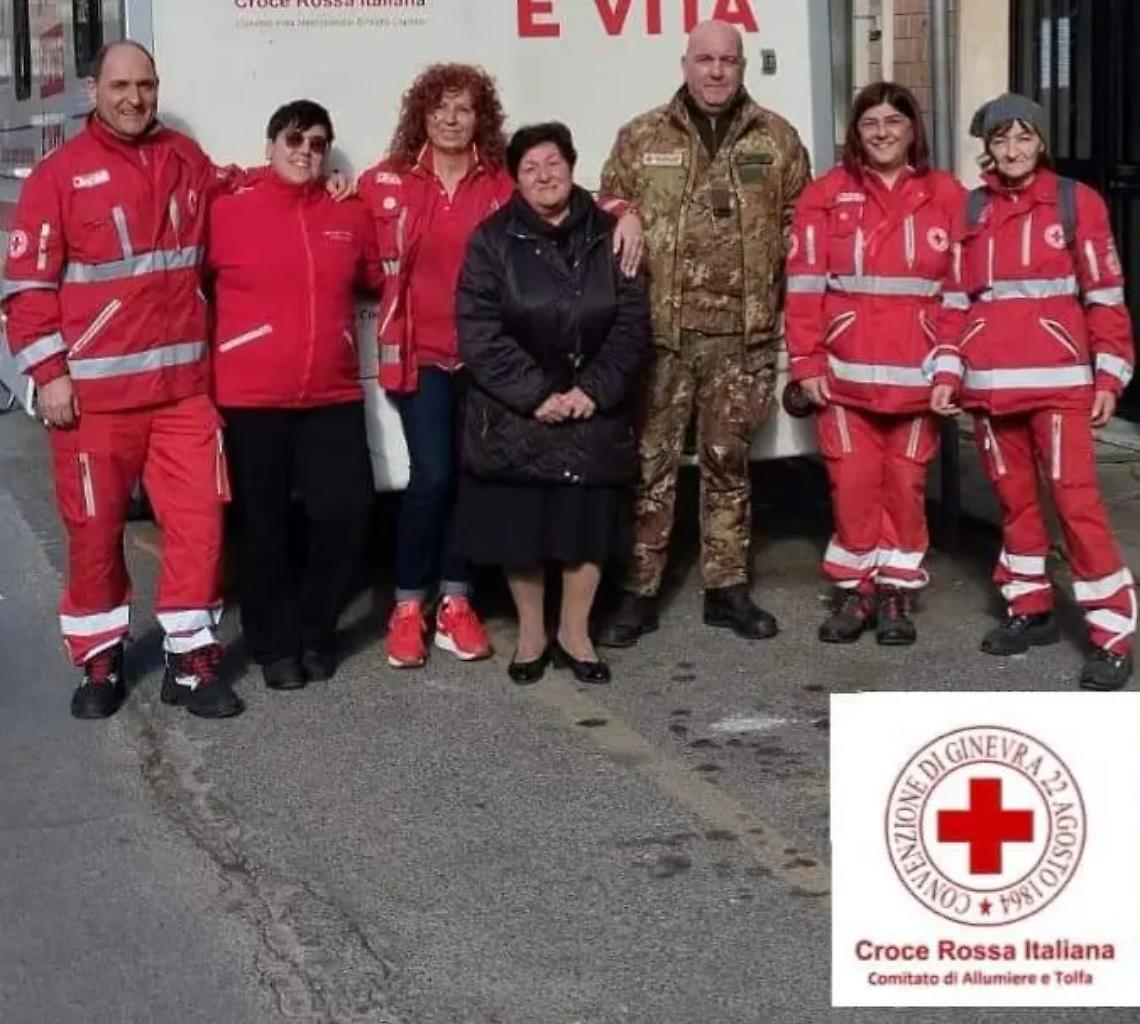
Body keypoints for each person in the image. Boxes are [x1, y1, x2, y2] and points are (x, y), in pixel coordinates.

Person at [358, 64, 643, 670]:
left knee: (473, 478)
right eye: (439, 108)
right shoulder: (387, 182)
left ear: (480, 116)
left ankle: (457, 602)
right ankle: (409, 605)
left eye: (463, 108)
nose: (451, 119)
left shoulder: (500, 181)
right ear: (422, 116)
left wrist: (631, 212)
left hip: (488, 364)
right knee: (431, 477)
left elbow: (577, 195)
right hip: (426, 354)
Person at [1, 41, 243, 719]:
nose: (134, 98)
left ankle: (190, 662)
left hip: (182, 394)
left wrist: (309, 184)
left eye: (145, 85)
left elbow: (234, 189)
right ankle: (100, 655)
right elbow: (26, 290)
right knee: (94, 532)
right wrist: (49, 373)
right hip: (94, 403)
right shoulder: (60, 175)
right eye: (120, 86)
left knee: (200, 528)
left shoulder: (184, 160)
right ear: (93, 89)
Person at [596, 19, 811, 649]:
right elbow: (607, 201)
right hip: (663, 336)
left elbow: (805, 223)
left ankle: (727, 588)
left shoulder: (776, 138)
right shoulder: (642, 136)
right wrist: (623, 212)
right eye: (704, 59)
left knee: (728, 462)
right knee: (650, 464)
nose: (716, 71)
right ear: (685, 64)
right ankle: (637, 591)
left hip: (742, 338)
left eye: (728, 61)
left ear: (742, 67)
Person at [931, 93, 1135, 690]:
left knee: (1077, 508)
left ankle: (1113, 636)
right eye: (1001, 140)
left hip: (1059, 390)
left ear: (1040, 142)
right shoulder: (970, 211)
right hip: (991, 391)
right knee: (1016, 505)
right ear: (988, 148)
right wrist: (948, 371)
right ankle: (1031, 609)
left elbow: (1106, 295)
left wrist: (1109, 375)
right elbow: (952, 303)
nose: (1013, 150)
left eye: (1023, 138)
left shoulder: (1077, 202)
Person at [454, 123, 650, 684]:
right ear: (516, 179)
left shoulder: (614, 233)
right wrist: (537, 394)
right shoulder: (491, 240)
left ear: (572, 165)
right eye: (531, 168)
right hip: (520, 411)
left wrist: (594, 391)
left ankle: (575, 632)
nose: (545, 175)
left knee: (585, 525)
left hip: (593, 407)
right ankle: (533, 635)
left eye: (554, 163)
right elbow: (479, 330)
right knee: (525, 528)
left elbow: (633, 322)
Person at [207, 100, 383, 691]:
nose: (305, 151)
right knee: (265, 527)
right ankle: (272, 644)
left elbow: (376, 278)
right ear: (270, 146)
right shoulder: (228, 212)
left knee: (347, 512)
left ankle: (315, 628)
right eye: (293, 140)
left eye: (317, 143)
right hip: (251, 396)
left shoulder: (347, 214)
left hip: (330, 392)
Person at [784, 82, 966, 644]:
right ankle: (854, 590)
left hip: (916, 376)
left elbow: (961, 292)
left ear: (914, 130)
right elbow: (804, 285)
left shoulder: (949, 195)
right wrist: (806, 362)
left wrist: (950, 366)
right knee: (853, 483)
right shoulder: (825, 194)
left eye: (894, 121)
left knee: (906, 485)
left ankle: (896, 593)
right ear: (855, 133)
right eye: (871, 123)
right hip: (844, 375)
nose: (883, 132)